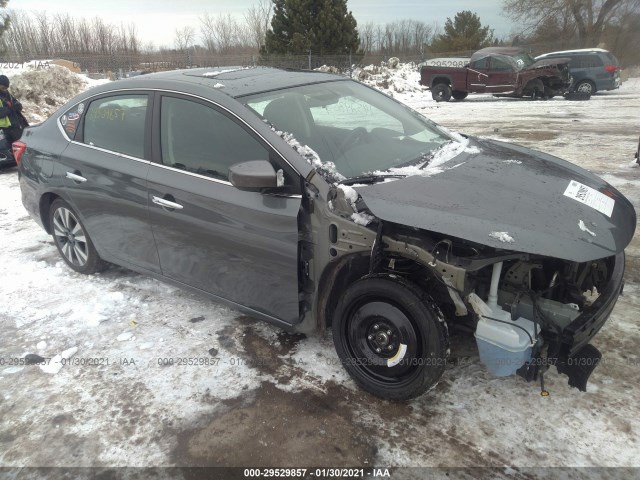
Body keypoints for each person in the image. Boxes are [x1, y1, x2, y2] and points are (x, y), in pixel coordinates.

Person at [0, 74, 28, 144]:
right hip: (5, 129)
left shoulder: (7, 94)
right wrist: (10, 108)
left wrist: (17, 106)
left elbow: (18, 104)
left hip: (16, 125)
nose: (5, 90)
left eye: (6, 88)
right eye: (3, 88)